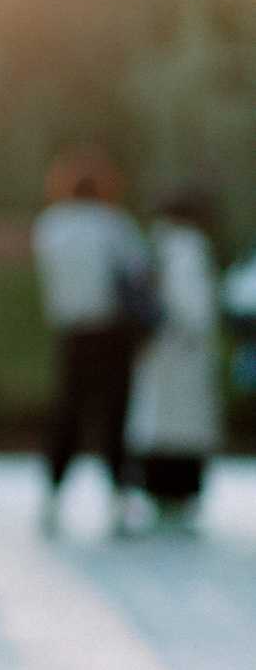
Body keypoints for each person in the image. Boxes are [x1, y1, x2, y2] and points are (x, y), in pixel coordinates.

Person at [31, 146, 149, 536]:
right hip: (110, 331)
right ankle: (119, 496)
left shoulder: (51, 225)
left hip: (71, 332)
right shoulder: (115, 225)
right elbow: (137, 271)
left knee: (68, 413)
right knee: (114, 414)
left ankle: (53, 493)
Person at [124, 184, 222, 533]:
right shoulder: (189, 247)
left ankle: (156, 494)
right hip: (183, 348)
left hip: (159, 350)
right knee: (182, 428)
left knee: (158, 425)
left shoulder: (152, 245)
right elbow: (195, 307)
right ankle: (179, 496)